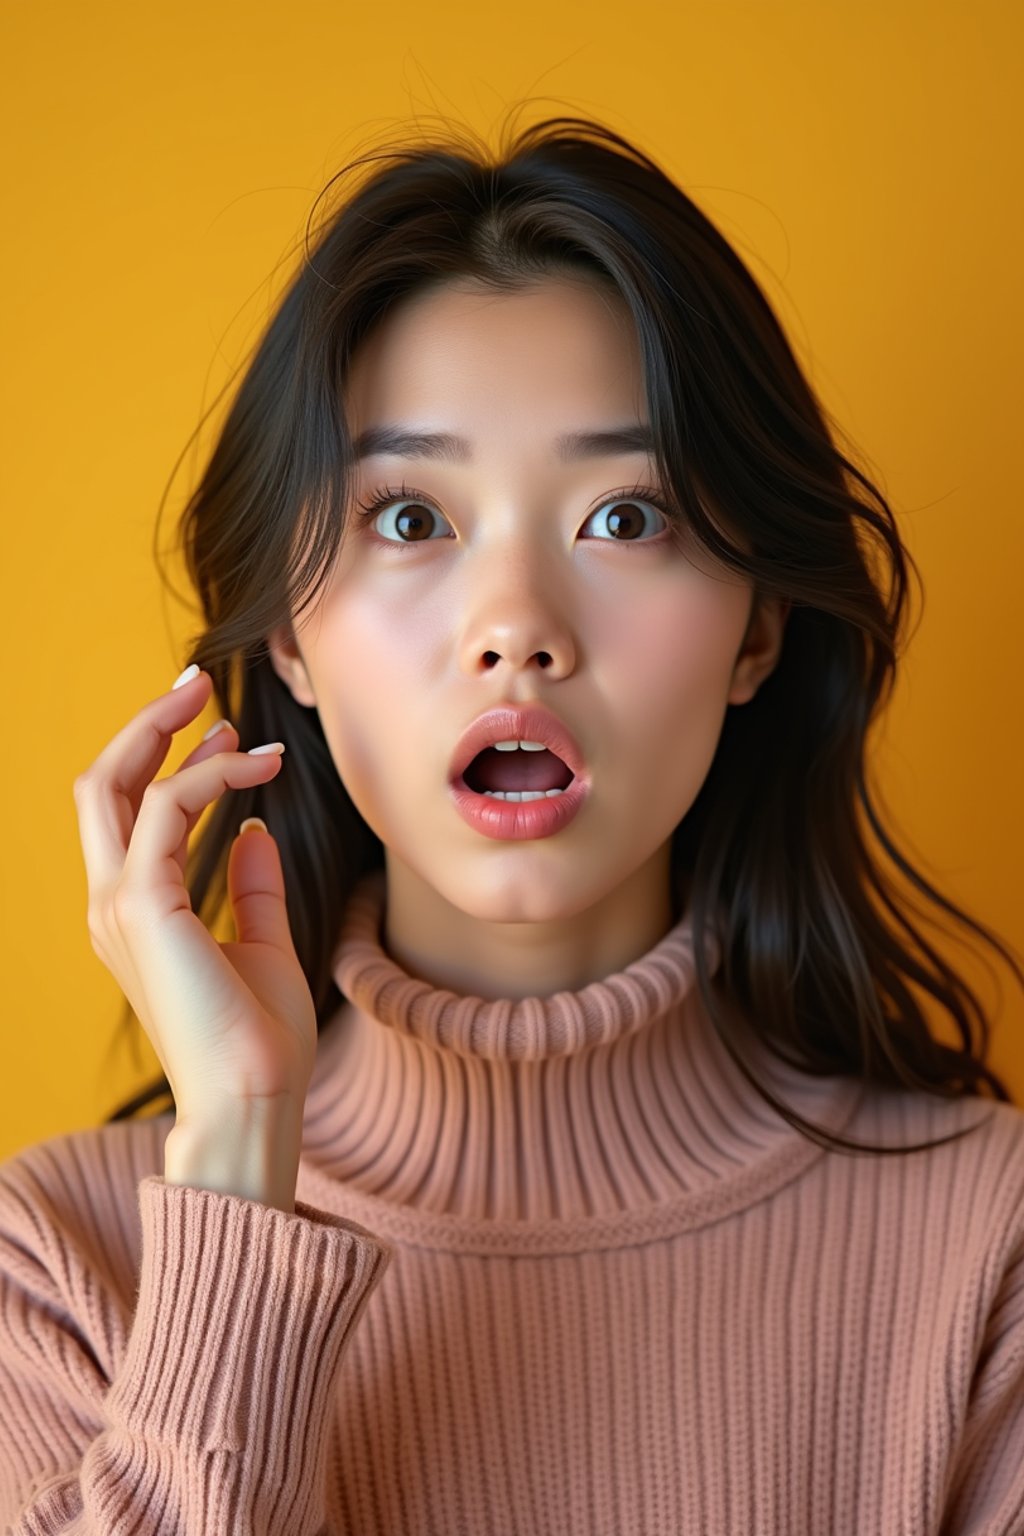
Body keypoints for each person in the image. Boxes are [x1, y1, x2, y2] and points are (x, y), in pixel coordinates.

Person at [1, 112, 1022, 1535]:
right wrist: (237, 1160)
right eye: (411, 520)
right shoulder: (58, 1259)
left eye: (625, 518)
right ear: (289, 642)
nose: (518, 632)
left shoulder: (990, 1255)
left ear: (759, 631)